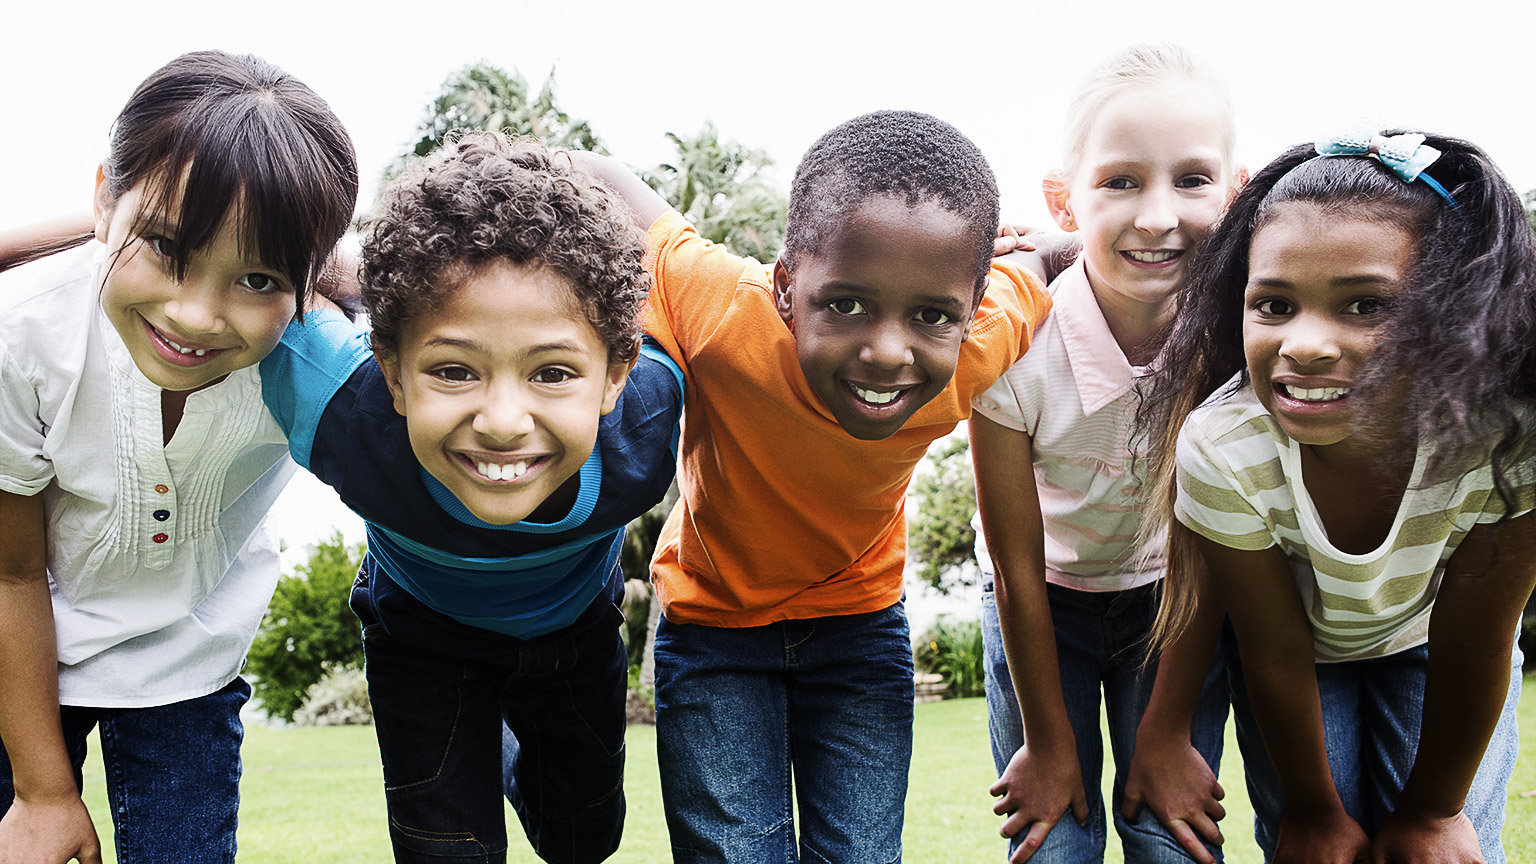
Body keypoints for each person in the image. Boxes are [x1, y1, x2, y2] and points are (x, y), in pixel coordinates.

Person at [572, 109, 1053, 863]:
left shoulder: (982, 345)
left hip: (859, 632)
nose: (886, 352)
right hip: (714, 632)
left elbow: (1051, 259)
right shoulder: (724, 309)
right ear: (788, 288)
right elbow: (603, 177)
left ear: (971, 311)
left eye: (931, 314)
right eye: (847, 303)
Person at [259, 130, 682, 864]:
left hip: (574, 633)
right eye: (454, 371)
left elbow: (712, 287)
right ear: (390, 372)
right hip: (423, 635)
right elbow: (243, 255)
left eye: (552, 374)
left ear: (615, 376)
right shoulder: (345, 412)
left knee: (583, 838)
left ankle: (510, 746)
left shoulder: (644, 423)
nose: (502, 423)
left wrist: (590, 170)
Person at [1140, 129, 1536, 864]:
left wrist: (1434, 812)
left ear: (1454, 311)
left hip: (1431, 643)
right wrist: (1315, 813)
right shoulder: (1225, 447)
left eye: (1366, 307)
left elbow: (1475, 639)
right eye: (1276, 305)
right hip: (1302, 655)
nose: (1307, 344)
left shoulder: (1505, 440)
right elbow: (1276, 650)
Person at [0, 50, 357, 863]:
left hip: (184, 665)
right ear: (102, 200)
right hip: (18, 643)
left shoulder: (315, 357)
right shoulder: (22, 333)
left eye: (258, 277)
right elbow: (10, 572)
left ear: (308, 282)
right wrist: (43, 794)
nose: (196, 316)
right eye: (165, 247)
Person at [971, 43, 1240, 864]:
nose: (1157, 215)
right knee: (1053, 842)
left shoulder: (1239, 341)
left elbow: (1214, 547)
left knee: (1172, 839)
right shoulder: (1012, 342)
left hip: (1176, 598)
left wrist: (1163, 735)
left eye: (1192, 180)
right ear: (1065, 200)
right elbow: (1014, 571)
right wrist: (1050, 747)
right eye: (1121, 180)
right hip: (1039, 601)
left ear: (1235, 192)